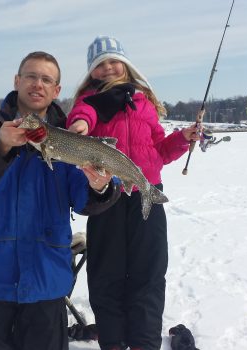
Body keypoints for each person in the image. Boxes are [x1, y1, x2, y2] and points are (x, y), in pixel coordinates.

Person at [0, 51, 120, 350]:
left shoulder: (71, 136)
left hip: (45, 280)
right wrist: (0, 146)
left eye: (46, 79)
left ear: (57, 90)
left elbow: (86, 201)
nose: (37, 84)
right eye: (30, 76)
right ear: (17, 81)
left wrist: (100, 187)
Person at [67, 36, 201, 350]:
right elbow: (81, 118)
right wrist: (80, 128)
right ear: (92, 72)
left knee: (149, 273)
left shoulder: (144, 103)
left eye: (113, 60)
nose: (108, 67)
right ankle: (113, 342)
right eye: (100, 64)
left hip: (147, 193)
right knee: (106, 274)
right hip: (107, 196)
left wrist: (183, 137)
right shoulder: (89, 101)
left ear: (126, 64)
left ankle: (143, 342)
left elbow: (160, 151)